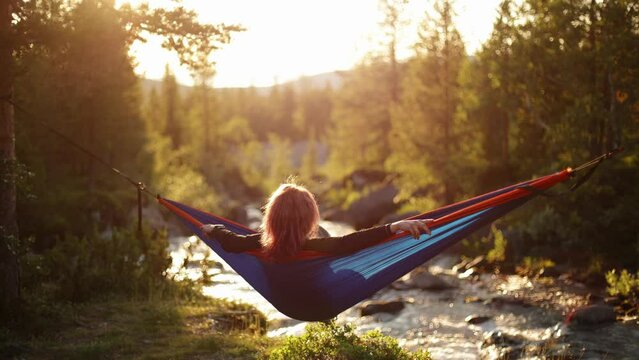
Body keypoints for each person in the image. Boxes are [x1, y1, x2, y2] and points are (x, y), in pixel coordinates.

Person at [200, 182, 434, 261]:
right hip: (320, 292)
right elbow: (348, 243)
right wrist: (393, 227)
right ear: (309, 217)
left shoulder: (262, 243)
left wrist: (213, 228)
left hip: (288, 294)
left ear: (271, 219)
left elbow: (233, 242)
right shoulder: (315, 246)